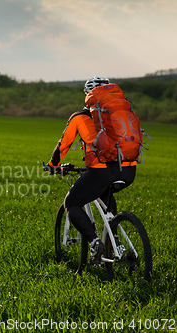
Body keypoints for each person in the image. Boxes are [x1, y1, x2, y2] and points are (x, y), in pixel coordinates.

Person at [43, 76, 137, 265]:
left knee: (71, 202)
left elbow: (64, 145)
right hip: (128, 170)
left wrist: (53, 166)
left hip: (102, 171)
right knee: (105, 196)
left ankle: (95, 244)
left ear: (88, 95)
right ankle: (115, 242)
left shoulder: (79, 117)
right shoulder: (120, 113)